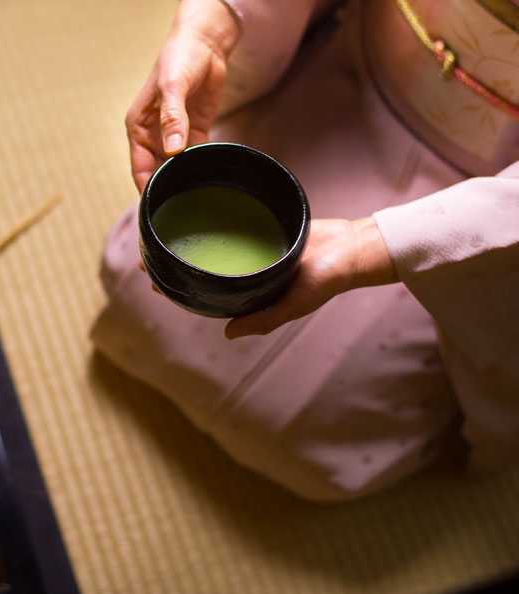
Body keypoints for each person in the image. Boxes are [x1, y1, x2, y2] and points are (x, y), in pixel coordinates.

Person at [90, 0, 519, 501]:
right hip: (354, 89)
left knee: (308, 427)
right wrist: (212, 26)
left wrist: (376, 246)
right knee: (142, 280)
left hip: (493, 207)